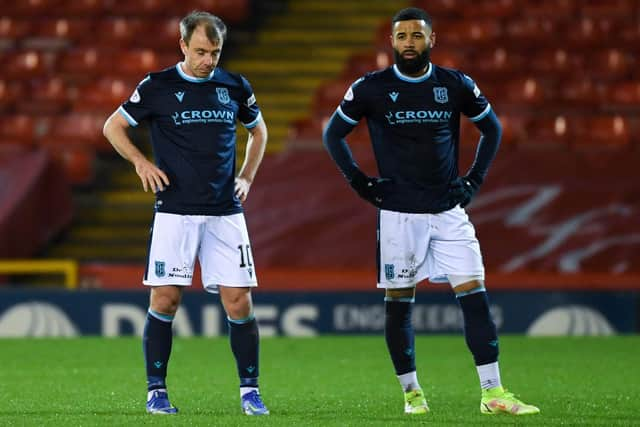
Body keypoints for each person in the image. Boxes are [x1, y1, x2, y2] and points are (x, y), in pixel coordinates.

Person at [322, 7, 539, 416]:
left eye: (416, 36)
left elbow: (492, 128)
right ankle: (412, 394)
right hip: (399, 215)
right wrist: (360, 182)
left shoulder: (455, 85)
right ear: (391, 41)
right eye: (402, 36)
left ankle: (493, 393)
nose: (409, 43)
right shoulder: (371, 88)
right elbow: (333, 133)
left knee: (474, 295)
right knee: (400, 301)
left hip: (448, 211)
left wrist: (473, 181)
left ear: (431, 40)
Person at [103, 11, 269, 416]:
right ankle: (155, 391)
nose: (208, 60)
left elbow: (259, 131)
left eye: (214, 52)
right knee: (164, 299)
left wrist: (246, 176)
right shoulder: (158, 86)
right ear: (182, 46)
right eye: (200, 51)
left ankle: (250, 392)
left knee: (238, 303)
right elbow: (112, 126)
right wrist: (141, 163)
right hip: (175, 211)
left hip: (225, 212)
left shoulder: (234, 85)